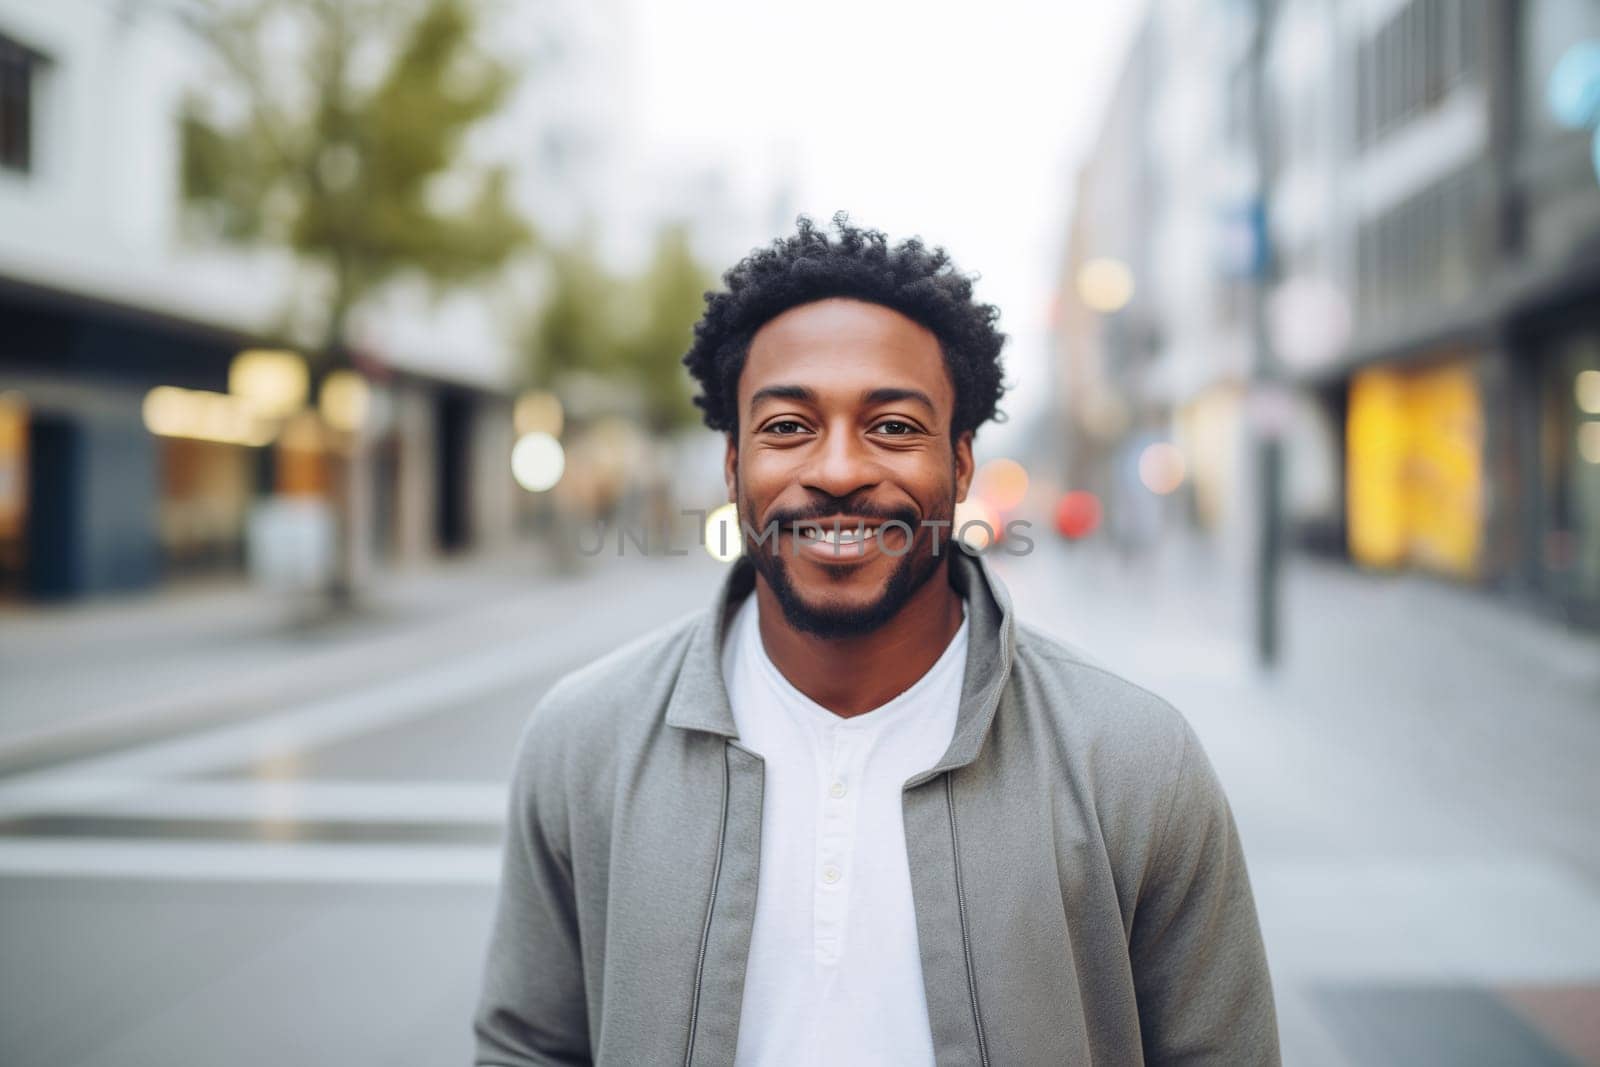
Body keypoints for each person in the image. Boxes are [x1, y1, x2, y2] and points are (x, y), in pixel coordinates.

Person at [474, 215, 1280, 1065]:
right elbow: (529, 1044)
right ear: (732, 463)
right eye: (787, 427)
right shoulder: (584, 739)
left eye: (893, 426)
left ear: (962, 463)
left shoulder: (1133, 760)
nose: (837, 470)